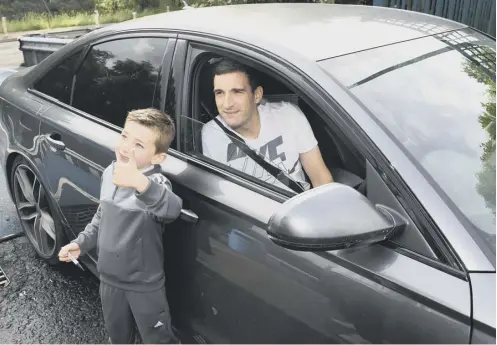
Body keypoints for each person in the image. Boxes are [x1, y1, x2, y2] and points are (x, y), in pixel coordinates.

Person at [58, 108, 182, 344]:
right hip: (109, 280)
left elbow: (171, 210)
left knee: (158, 338)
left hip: (144, 286)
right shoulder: (110, 172)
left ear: (158, 157)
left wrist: (138, 182)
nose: (126, 148)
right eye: (125, 136)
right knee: (117, 336)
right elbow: (101, 217)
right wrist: (80, 244)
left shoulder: (156, 183)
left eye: (139, 144)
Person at [201, 58, 333, 192]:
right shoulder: (210, 134)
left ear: (257, 95)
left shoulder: (288, 116)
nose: (227, 104)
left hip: (298, 206)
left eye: (237, 92)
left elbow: (320, 178)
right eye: (220, 93)